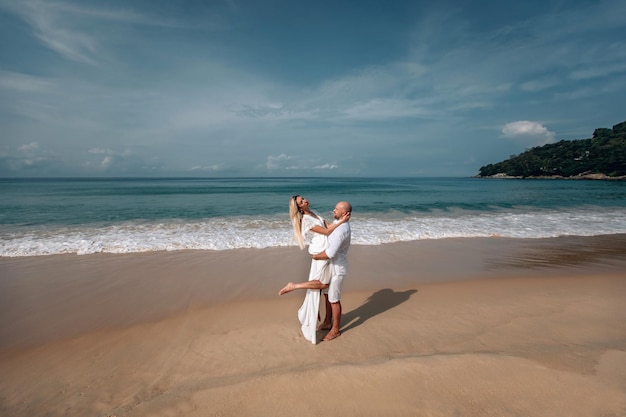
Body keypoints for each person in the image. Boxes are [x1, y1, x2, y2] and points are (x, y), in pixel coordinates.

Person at [278, 196, 350, 344]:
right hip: (320, 252)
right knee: (322, 284)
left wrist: (339, 223)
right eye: (301, 202)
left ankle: (327, 322)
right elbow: (326, 232)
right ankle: (294, 286)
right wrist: (342, 221)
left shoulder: (314, 213)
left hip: (327, 252)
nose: (305, 201)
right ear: (299, 208)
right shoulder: (305, 220)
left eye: (303, 198)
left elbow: (329, 226)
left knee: (325, 289)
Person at [311, 201, 352, 341]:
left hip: (337, 268)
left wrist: (315, 256)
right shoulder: (338, 223)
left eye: (337, 209)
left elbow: (330, 253)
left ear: (345, 213)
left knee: (334, 299)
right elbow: (327, 226)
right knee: (327, 296)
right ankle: (328, 321)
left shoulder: (342, 230)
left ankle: (335, 330)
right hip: (331, 266)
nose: (333, 210)